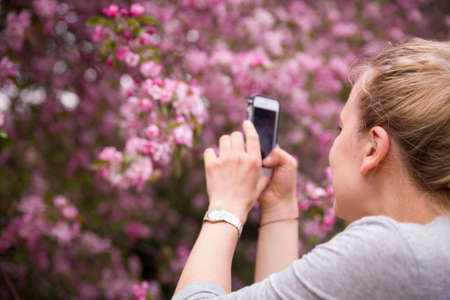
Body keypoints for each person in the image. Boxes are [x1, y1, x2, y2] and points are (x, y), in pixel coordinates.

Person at [172, 38, 450, 299]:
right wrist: (280, 210)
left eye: (340, 128)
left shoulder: (391, 252)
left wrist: (226, 205)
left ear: (372, 149)